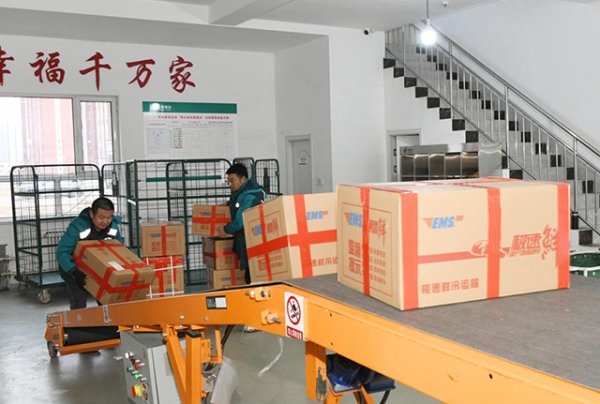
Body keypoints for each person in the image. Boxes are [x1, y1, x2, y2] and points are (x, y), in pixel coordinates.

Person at [56, 197, 123, 310]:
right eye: (101, 217)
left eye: (109, 217)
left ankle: (106, 321)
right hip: (74, 270)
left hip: (101, 270)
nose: (105, 221)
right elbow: (62, 252)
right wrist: (74, 272)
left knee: (107, 303)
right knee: (79, 304)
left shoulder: (113, 227)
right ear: (92, 214)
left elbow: (119, 249)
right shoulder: (78, 226)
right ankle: (78, 321)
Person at [217, 163, 264, 285]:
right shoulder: (242, 193)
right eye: (228, 181)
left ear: (243, 179)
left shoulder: (249, 196)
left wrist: (225, 229)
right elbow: (237, 205)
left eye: (232, 180)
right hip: (246, 239)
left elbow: (241, 221)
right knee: (249, 273)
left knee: (251, 275)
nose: (230, 184)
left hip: (252, 240)